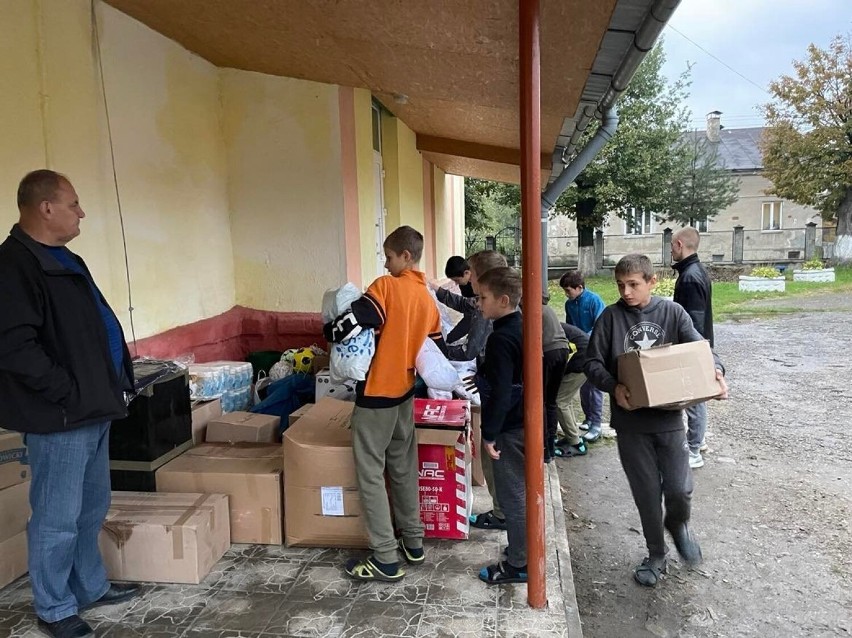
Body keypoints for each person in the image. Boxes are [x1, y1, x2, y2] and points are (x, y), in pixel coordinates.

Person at [0, 170, 138, 638]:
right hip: (61, 416)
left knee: (90, 508)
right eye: (74, 203)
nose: (81, 212)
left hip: (93, 407)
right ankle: (55, 608)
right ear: (45, 208)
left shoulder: (63, 257)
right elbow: (15, 348)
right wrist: (67, 390)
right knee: (57, 518)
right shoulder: (15, 266)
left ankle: (90, 587)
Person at [584, 254, 728, 588]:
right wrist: (613, 387)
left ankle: (678, 524)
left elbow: (700, 349)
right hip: (631, 425)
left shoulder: (671, 313)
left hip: (669, 419)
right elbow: (591, 363)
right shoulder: (610, 318)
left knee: (679, 488)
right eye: (621, 285)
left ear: (652, 282)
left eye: (634, 284)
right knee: (647, 493)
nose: (626, 292)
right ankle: (656, 554)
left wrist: (716, 371)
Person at [324, 225, 444, 582]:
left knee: (371, 476)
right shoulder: (426, 297)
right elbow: (433, 349)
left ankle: (385, 559)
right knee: (404, 467)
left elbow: (354, 320)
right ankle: (414, 542)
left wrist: (328, 332)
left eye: (389, 256)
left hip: (376, 395)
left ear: (405, 256)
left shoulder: (386, 286)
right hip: (405, 394)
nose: (386, 262)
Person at [473, 267, 527, 585]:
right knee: (516, 493)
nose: (478, 304)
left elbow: (503, 391)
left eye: (483, 298)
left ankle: (520, 564)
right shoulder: (520, 326)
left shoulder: (502, 338)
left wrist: (490, 433)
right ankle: (520, 550)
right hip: (521, 420)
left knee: (513, 495)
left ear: (503, 300)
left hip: (511, 426)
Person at [457, 250, 510, 532]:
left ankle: (503, 514)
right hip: (494, 393)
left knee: (495, 458)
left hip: (499, 403)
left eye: (472, 274)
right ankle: (502, 510)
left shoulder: (497, 319)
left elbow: (478, 348)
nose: (469, 279)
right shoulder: (499, 312)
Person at [671, 227, 714, 469]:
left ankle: (695, 449)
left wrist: (690, 349)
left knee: (694, 398)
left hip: (693, 346)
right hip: (698, 344)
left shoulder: (689, 277)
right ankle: (700, 441)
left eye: (671, 246)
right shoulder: (695, 272)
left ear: (679, 244)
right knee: (696, 397)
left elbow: (693, 320)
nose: (670, 250)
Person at [560, 271, 606, 442]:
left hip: (595, 348)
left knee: (594, 386)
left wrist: (586, 337)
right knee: (583, 385)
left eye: (569, 290)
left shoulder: (594, 300)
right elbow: (569, 326)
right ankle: (588, 418)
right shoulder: (568, 304)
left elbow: (600, 325)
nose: (567, 294)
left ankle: (596, 424)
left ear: (579, 287)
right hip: (580, 350)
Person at [554, 322, 590, 458]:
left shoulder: (546, 326)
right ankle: (573, 436)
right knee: (565, 401)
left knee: (559, 402)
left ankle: (575, 443)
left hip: (581, 362)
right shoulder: (551, 323)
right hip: (583, 359)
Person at [541, 299, 571, 462]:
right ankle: (550, 448)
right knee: (551, 401)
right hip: (562, 350)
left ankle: (545, 447)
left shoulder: (532, 309)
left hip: (549, 352)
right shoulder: (546, 308)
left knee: (542, 402)